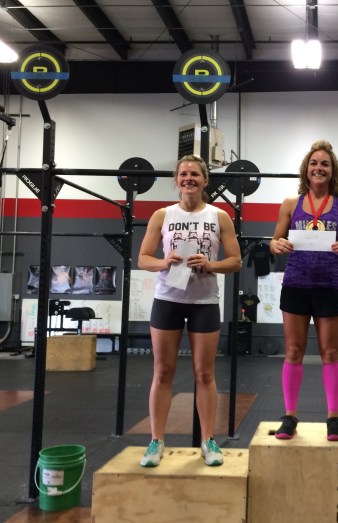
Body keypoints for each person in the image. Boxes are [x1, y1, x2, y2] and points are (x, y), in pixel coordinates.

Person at [138, 154, 242, 468]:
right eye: (183, 174)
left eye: (195, 174)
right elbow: (143, 258)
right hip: (167, 300)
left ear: (205, 180)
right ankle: (156, 441)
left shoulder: (219, 216)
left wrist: (211, 264)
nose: (188, 179)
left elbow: (235, 261)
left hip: (204, 303)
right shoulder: (162, 215)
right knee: (163, 371)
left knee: (204, 374)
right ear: (176, 180)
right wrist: (163, 262)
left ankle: (208, 440)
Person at [269, 140, 338, 441]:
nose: (319, 168)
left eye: (325, 164)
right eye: (314, 163)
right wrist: (277, 245)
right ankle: (290, 416)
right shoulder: (290, 205)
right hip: (295, 284)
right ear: (306, 170)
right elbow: (274, 241)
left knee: (330, 353)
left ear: (333, 171)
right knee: (293, 351)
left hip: (328, 286)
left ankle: (333, 417)